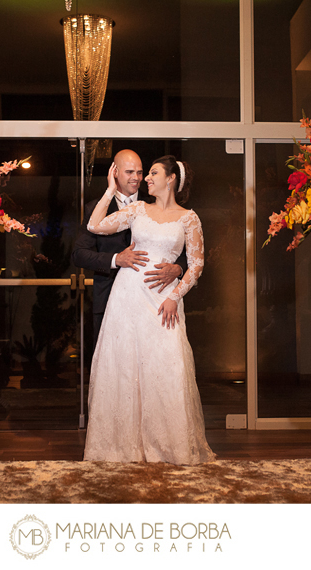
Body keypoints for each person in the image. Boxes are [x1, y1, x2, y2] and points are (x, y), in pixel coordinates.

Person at [82, 155, 215, 464]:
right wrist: (108, 189)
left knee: (166, 368)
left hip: (162, 302)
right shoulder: (138, 209)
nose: (146, 179)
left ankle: (169, 446)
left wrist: (175, 296)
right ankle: (122, 447)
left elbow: (196, 265)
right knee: (125, 368)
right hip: (127, 297)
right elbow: (95, 225)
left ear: (171, 179)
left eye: (153, 173)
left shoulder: (189, 218)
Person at [71, 149, 185, 348]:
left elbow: (183, 250)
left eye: (140, 173)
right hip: (107, 299)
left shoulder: (155, 202)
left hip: (151, 300)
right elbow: (79, 255)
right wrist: (116, 259)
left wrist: (178, 268)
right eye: (130, 172)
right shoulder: (95, 209)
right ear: (114, 173)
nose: (137, 178)